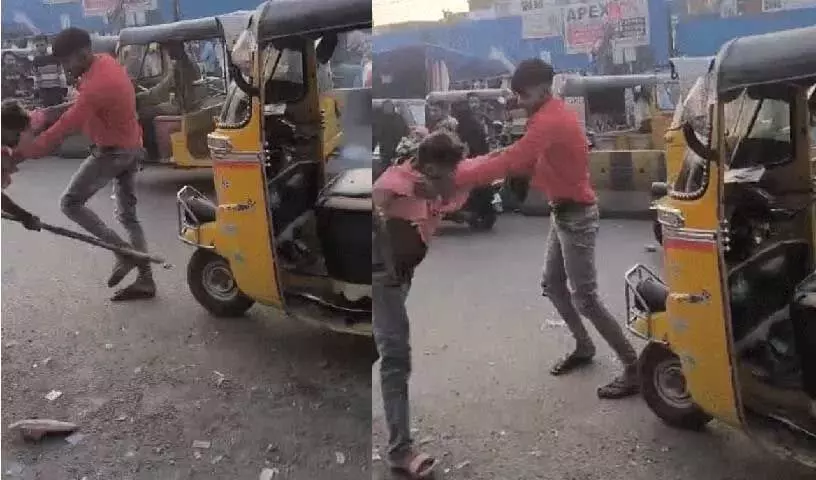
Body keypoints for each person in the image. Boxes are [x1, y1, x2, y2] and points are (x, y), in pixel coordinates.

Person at [453, 58, 640, 399]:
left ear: (541, 89)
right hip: (563, 212)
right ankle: (584, 347)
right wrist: (471, 167)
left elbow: (512, 159)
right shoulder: (547, 117)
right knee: (552, 284)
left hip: (576, 215)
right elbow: (516, 158)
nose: (519, 101)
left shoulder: (550, 121)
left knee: (586, 298)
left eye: (522, 94)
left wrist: (457, 175)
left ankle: (633, 367)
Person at [12, 27, 155, 302]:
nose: (66, 69)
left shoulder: (97, 85)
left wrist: (23, 153)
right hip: (131, 147)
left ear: (83, 53)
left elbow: (66, 127)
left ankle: (122, 251)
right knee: (128, 216)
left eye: (67, 62)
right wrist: (42, 115)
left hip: (114, 152)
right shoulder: (105, 64)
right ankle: (146, 280)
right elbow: (77, 107)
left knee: (70, 203)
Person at [373, 131, 469, 478]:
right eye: (443, 175)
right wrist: (411, 192)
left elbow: (458, 194)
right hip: (383, 273)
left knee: (387, 342)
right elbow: (373, 199)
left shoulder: (443, 181)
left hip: (402, 274)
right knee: (396, 357)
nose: (449, 182)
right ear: (427, 166)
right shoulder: (396, 180)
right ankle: (400, 450)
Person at [136, 40, 200, 160]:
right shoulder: (180, 64)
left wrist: (142, 98)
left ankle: (153, 154)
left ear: (177, 47)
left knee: (145, 114)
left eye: (170, 48)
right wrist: (142, 97)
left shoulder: (186, 67)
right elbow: (162, 88)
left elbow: (181, 98)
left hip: (184, 108)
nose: (168, 52)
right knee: (147, 110)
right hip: (179, 104)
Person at [32, 35, 68, 107]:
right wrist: (36, 90)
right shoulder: (36, 60)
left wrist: (64, 88)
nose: (39, 48)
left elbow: (61, 74)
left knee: (57, 108)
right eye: (37, 46)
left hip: (56, 89)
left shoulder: (55, 58)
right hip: (44, 90)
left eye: (42, 45)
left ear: (47, 44)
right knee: (46, 110)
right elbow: (37, 77)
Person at [374, 100, 409, 167]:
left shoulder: (398, 117)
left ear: (392, 107)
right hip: (385, 148)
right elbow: (377, 134)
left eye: (389, 107)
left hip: (398, 147)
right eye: (386, 107)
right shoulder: (380, 119)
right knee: (385, 166)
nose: (388, 109)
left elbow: (405, 130)